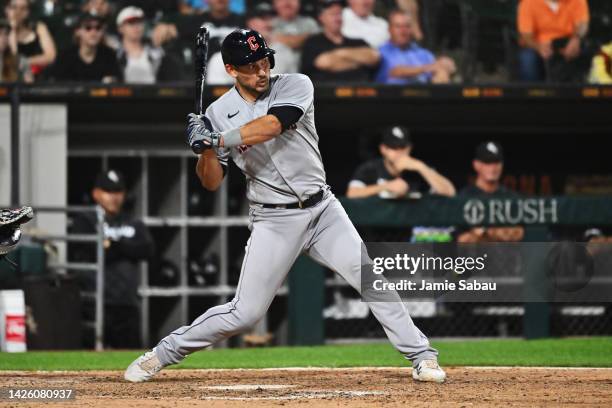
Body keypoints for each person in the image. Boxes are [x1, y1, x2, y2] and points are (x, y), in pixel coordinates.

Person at [125, 28, 446, 384]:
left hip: (323, 210)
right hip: (273, 220)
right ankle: (163, 353)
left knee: (370, 278)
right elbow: (211, 180)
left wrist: (217, 138)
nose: (261, 71)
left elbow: (272, 125)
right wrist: (203, 148)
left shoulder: (296, 84)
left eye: (264, 61)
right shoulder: (218, 113)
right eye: (250, 65)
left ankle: (422, 355)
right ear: (231, 70)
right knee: (245, 314)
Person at [71, 170, 154, 349]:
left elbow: (147, 249)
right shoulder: (85, 220)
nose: (114, 197)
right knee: (92, 358)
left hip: (127, 301)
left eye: (118, 192)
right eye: (108, 192)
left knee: (130, 355)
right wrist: (125, 247)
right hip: (95, 301)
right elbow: (89, 251)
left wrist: (114, 245)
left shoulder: (131, 221)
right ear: (96, 193)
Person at [346, 125, 455, 199]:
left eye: (402, 147)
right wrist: (386, 187)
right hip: (375, 230)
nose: (399, 152)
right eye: (393, 147)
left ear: (409, 148)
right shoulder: (370, 168)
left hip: (412, 229)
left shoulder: (418, 169)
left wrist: (422, 168)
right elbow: (352, 194)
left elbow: (450, 192)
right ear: (383, 149)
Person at [208, 2, 297, 84]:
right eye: (263, 19)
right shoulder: (221, 59)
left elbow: (292, 89)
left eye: (272, 18)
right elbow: (216, 95)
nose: (269, 23)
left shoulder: (285, 52)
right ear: (249, 22)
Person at [456, 141, 524, 243]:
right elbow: (460, 239)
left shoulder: (511, 197)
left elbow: (518, 233)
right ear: (476, 165)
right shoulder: (463, 197)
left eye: (496, 162)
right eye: (487, 162)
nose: (493, 167)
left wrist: (484, 231)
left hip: (505, 256)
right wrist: (497, 232)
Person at [301, 0, 380, 83]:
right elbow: (324, 63)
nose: (337, 18)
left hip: (361, 91)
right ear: (321, 17)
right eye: (333, 14)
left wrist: (341, 53)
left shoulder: (358, 42)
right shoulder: (313, 43)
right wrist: (358, 61)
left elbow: (374, 57)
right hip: (326, 93)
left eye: (339, 14)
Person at [375, 9, 455, 84]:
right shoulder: (381, 53)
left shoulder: (423, 54)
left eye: (407, 26)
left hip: (425, 95)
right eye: (398, 26)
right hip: (392, 96)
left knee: (442, 73)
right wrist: (425, 68)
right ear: (390, 29)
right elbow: (395, 71)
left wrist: (445, 65)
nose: (403, 31)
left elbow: (438, 67)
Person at [517, 0, 590, 82]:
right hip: (539, 46)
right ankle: (532, 93)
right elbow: (526, 35)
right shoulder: (528, 2)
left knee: (585, 52)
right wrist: (538, 47)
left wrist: (576, 39)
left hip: (567, 44)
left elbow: (583, 24)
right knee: (527, 59)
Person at [115, 6, 181, 83]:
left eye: (139, 22)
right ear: (120, 28)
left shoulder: (157, 53)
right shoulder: (113, 53)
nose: (136, 26)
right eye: (131, 22)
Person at [51, 13, 121, 82]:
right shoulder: (65, 57)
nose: (93, 32)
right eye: (88, 28)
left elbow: (117, 81)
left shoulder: (109, 55)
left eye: (98, 28)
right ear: (77, 31)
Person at [5, 0, 56, 80]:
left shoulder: (38, 27)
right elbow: (13, 56)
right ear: (6, 9)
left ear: (28, 11)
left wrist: (25, 62)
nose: (18, 12)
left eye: (23, 8)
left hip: (36, 76)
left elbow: (50, 56)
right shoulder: (3, 30)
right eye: (14, 7)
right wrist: (13, 30)